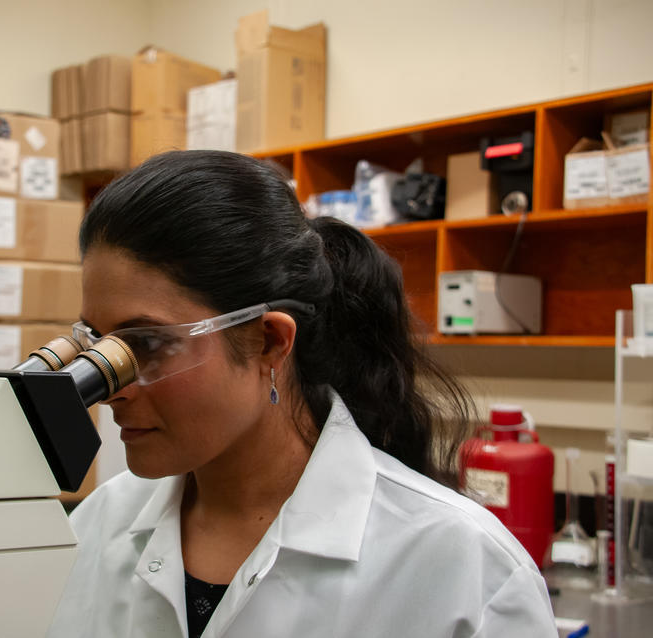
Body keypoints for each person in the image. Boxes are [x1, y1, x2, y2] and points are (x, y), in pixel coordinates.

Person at [47, 151, 556, 638]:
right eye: (97, 344)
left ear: (269, 340)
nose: (111, 389)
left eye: (145, 344)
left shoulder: (466, 572)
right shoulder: (97, 524)